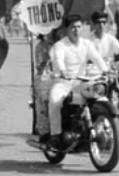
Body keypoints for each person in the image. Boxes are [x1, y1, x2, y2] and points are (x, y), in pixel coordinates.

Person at [45, 15, 107, 147]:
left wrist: (106, 70)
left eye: (79, 27)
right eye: (73, 27)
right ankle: (55, 135)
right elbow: (58, 59)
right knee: (55, 101)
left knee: (102, 99)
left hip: (82, 82)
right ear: (67, 29)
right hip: (63, 82)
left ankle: (106, 131)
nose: (76, 30)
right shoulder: (60, 45)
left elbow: (97, 58)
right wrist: (62, 70)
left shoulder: (87, 44)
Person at [85, 10, 119, 76]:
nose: (101, 25)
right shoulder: (87, 40)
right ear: (93, 24)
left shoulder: (111, 39)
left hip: (108, 71)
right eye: (98, 22)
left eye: (104, 22)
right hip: (91, 72)